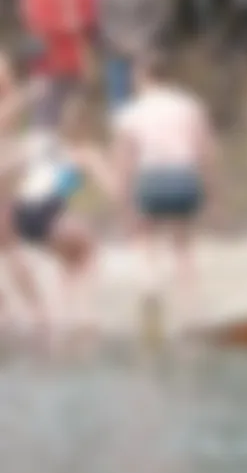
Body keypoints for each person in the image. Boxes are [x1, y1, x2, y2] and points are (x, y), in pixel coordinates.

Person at [110, 58, 217, 317]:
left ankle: (150, 287)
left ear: (143, 76)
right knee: (183, 245)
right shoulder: (190, 106)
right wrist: (214, 196)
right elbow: (206, 152)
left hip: (151, 178)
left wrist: (123, 201)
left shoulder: (130, 112)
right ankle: (191, 308)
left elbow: (125, 162)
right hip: (184, 176)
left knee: (144, 238)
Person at [0, 101, 115, 337]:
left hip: (21, 212)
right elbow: (112, 188)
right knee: (86, 251)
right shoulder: (85, 153)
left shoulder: (40, 142)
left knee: (64, 255)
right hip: (46, 212)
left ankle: (47, 314)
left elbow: (7, 166)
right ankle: (78, 313)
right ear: (88, 127)